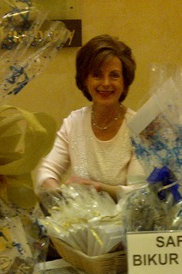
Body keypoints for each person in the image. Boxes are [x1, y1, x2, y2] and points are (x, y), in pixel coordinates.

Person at [35, 34, 145, 201]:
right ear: (85, 80)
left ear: (125, 82)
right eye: (97, 75)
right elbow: (47, 172)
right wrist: (58, 194)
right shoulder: (74, 122)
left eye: (114, 75)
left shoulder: (139, 127)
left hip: (127, 217)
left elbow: (139, 192)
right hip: (80, 216)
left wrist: (98, 188)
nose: (106, 83)